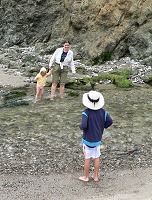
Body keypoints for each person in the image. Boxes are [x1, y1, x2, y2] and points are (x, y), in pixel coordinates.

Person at [79, 90, 113, 182]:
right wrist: (103, 126)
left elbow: (83, 126)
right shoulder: (103, 112)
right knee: (96, 157)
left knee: (87, 158)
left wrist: (80, 127)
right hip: (98, 139)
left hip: (87, 140)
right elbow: (110, 121)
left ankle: (86, 177)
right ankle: (96, 176)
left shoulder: (85, 113)